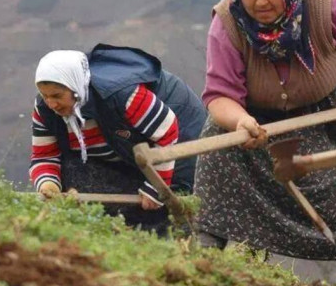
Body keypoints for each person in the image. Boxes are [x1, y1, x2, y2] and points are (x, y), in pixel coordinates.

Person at [194, 0, 336, 286]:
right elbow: (219, 95)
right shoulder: (227, 23)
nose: (260, 2)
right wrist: (242, 121)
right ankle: (204, 258)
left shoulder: (327, 5)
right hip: (261, 122)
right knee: (219, 145)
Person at [29, 43, 206, 236]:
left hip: (180, 143)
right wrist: (49, 187)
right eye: (45, 96)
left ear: (76, 88)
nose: (51, 103)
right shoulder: (45, 110)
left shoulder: (121, 95)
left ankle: (172, 239)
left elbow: (168, 131)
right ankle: (119, 229)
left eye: (57, 95)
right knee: (73, 174)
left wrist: (156, 189)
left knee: (168, 209)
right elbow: (44, 157)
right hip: (126, 152)